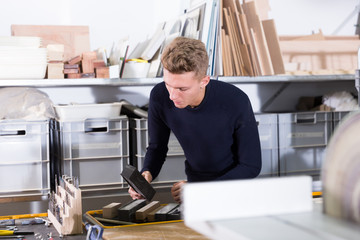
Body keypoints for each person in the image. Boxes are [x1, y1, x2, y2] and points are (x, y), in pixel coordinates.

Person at [129, 36, 261, 203]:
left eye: (182, 88)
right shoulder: (160, 96)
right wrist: (146, 175)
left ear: (204, 81)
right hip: (195, 188)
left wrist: (200, 190)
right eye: (168, 84)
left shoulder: (236, 101)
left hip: (232, 189)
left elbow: (251, 166)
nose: (172, 95)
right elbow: (157, 147)